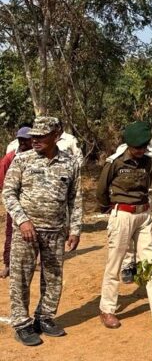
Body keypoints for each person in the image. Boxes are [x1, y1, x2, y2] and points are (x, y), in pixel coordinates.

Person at [96, 122, 152, 330]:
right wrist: (108, 209)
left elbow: (150, 181)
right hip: (122, 215)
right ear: (129, 145)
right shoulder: (115, 163)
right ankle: (107, 309)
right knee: (115, 263)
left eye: (143, 147)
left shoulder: (149, 160)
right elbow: (101, 190)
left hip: (144, 215)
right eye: (137, 148)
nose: (140, 151)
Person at [2, 116, 82, 346]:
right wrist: (23, 221)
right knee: (21, 277)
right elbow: (8, 193)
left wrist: (75, 228)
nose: (34, 140)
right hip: (26, 231)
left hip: (56, 231)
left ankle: (45, 317)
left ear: (56, 136)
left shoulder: (70, 163)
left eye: (41, 136)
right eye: (33, 136)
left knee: (54, 277)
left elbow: (75, 198)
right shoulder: (22, 160)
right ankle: (21, 323)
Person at [110, 141, 152, 284]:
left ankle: (141, 265)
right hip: (124, 203)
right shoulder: (121, 150)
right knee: (124, 240)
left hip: (143, 199)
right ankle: (127, 265)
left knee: (145, 241)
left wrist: (142, 186)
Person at [0, 127, 33, 278]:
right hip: (15, 203)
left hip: (34, 204)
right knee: (10, 232)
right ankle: (8, 264)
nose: (23, 142)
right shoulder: (10, 158)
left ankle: (32, 264)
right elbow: (2, 180)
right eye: (20, 139)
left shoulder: (39, 157)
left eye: (26, 139)